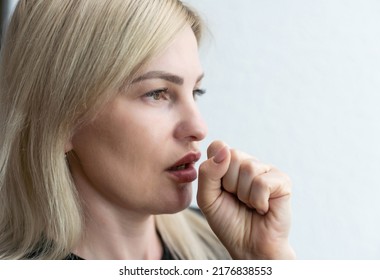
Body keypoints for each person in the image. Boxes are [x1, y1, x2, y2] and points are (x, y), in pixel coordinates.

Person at [0, 0, 295, 260]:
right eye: (157, 93)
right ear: (61, 118)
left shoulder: (222, 248)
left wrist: (265, 260)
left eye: (196, 91)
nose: (198, 128)